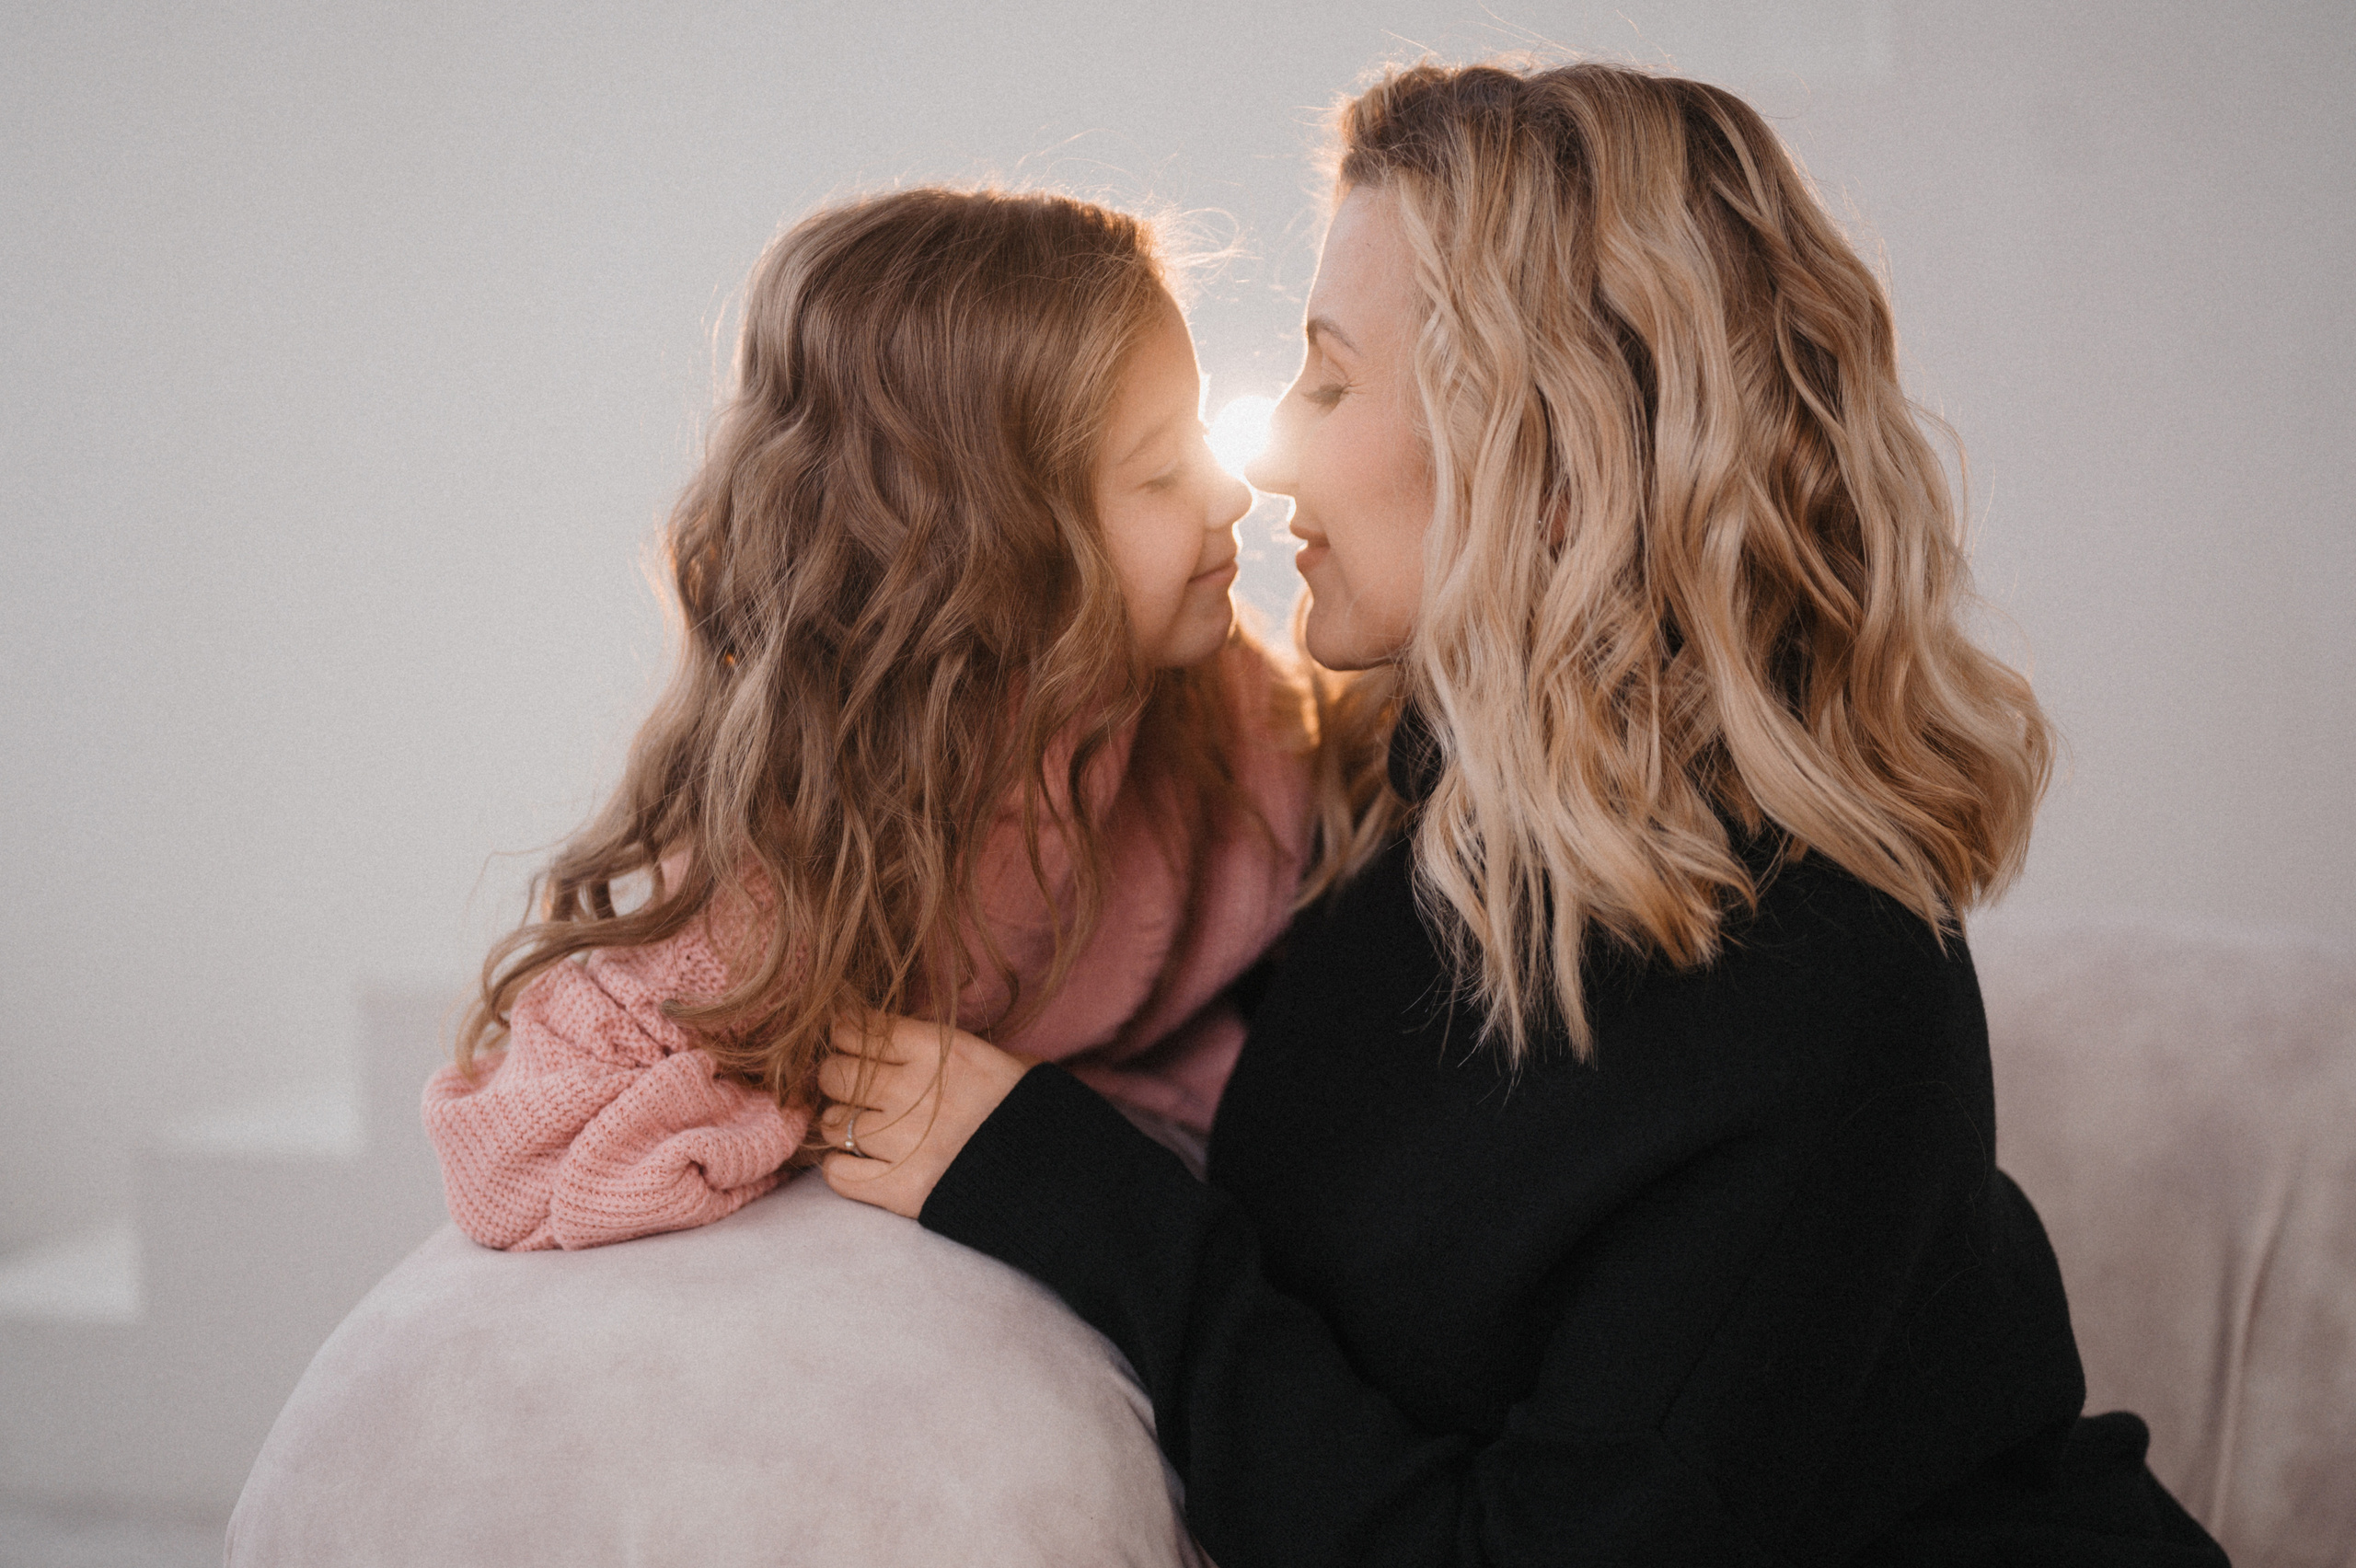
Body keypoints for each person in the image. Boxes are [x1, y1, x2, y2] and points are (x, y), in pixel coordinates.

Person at [811, 63, 2232, 1566]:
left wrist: (1063, 1186)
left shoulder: (1821, 992)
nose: (1270, 449)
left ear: (1548, 462)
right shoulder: (1398, 784)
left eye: (1333, 377)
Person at [422, 187, 1326, 1251]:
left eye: (1204, 439)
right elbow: (512, 1161)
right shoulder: (801, 861)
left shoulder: (1225, 699)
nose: (1234, 496)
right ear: (987, 553)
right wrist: (824, 1102)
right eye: (1165, 471)